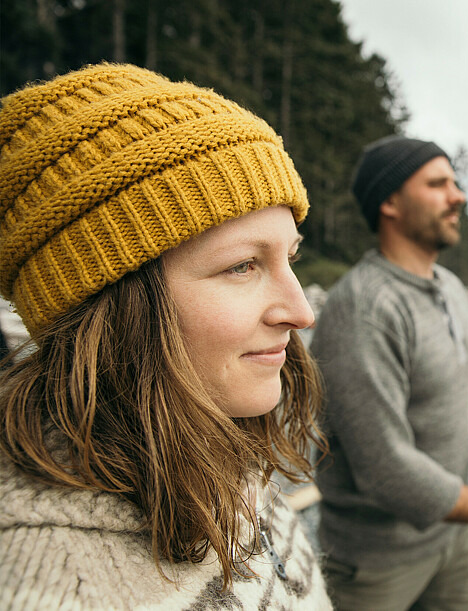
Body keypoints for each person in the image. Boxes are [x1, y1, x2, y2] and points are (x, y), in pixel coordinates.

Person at [0, 64, 332, 609]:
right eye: (243, 265)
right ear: (110, 307)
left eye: (289, 259)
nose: (301, 312)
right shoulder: (54, 586)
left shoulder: (214, 441)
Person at [310, 135, 468, 610]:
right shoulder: (364, 308)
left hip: (452, 537)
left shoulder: (451, 287)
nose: (458, 196)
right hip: (375, 561)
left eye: (455, 184)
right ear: (390, 201)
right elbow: (385, 468)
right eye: (438, 184)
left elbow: (465, 380)